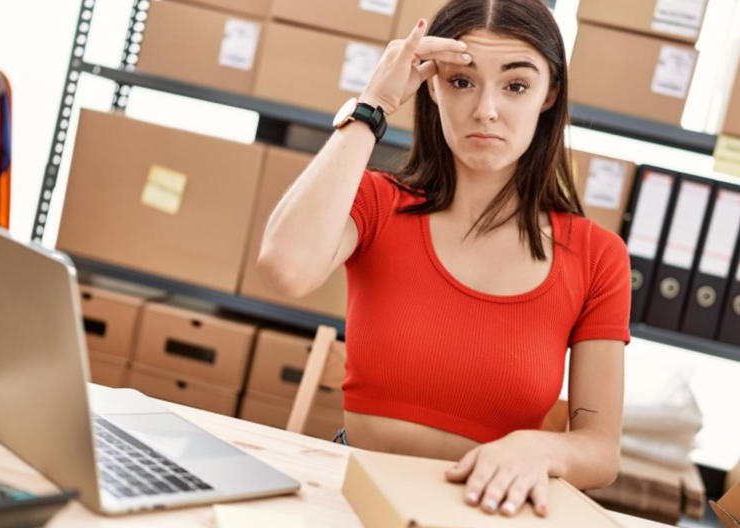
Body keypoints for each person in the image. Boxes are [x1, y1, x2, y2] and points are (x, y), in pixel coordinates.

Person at [257, 0, 631, 518]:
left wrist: (542, 447)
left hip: (483, 513)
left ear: (550, 96)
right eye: (461, 82)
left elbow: (601, 450)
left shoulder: (596, 256)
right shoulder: (377, 202)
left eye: (516, 86)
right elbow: (285, 269)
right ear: (431, 85)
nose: (486, 110)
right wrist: (372, 106)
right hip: (351, 500)